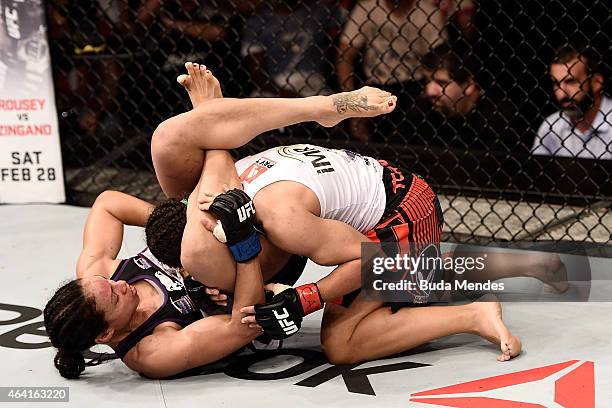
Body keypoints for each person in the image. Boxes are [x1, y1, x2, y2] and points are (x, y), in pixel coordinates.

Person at [146, 62, 522, 362]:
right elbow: (209, 148)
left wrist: (307, 297)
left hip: (406, 212)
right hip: (360, 188)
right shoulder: (218, 178)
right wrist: (210, 114)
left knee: (342, 343)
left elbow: (368, 260)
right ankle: (426, 273)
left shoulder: (282, 219)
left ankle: (473, 313)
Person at [43, 187, 268, 379]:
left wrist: (174, 224)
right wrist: (243, 241)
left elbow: (107, 204)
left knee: (168, 143)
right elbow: (243, 326)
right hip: (256, 260)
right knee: (196, 253)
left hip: (214, 217)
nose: (119, 283)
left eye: (107, 282)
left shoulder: (94, 276)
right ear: (105, 334)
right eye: (115, 297)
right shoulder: (152, 352)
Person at [336, 0, 476, 141]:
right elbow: (345, 55)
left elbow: (441, 57)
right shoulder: (367, 8)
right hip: (377, 84)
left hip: (416, 85)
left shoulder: (427, 12)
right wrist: (351, 107)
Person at [420, 44, 520, 151]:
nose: (429, 91)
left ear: (468, 85)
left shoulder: (499, 122)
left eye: (441, 83)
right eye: (427, 81)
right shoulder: (422, 111)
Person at [532, 42, 611, 160]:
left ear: (596, 82)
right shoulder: (551, 127)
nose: (561, 93)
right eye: (556, 83)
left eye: (571, 81)